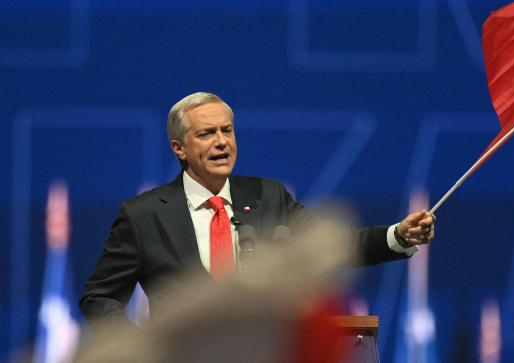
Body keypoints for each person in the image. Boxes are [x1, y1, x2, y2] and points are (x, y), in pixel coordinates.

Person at [80, 92, 435, 326]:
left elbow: (329, 245)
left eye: (227, 130)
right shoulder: (143, 215)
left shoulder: (270, 196)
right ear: (179, 148)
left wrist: (397, 235)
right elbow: (99, 297)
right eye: (206, 134)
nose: (221, 142)